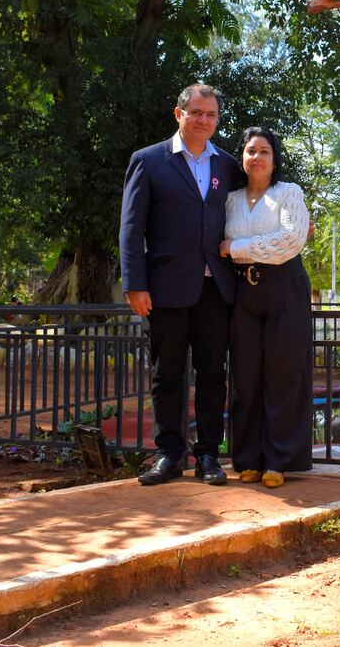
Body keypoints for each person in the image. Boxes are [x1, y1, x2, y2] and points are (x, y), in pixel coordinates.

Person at [119, 83, 241, 487]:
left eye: (211, 115)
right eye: (197, 113)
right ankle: (169, 453)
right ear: (179, 114)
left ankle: (208, 454)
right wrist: (135, 283)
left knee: (212, 373)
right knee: (167, 373)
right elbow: (131, 229)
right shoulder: (149, 160)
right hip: (166, 289)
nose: (204, 120)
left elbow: (250, 206)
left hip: (215, 290)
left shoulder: (227, 164)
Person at [219, 127, 312, 489]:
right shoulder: (230, 200)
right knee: (246, 378)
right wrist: (238, 249)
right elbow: (218, 243)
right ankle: (248, 458)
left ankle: (278, 460)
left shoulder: (288, 193)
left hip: (284, 289)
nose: (257, 158)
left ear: (275, 160)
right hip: (244, 292)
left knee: (283, 375)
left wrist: (236, 246)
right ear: (241, 158)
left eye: (265, 152)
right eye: (250, 151)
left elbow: (289, 242)